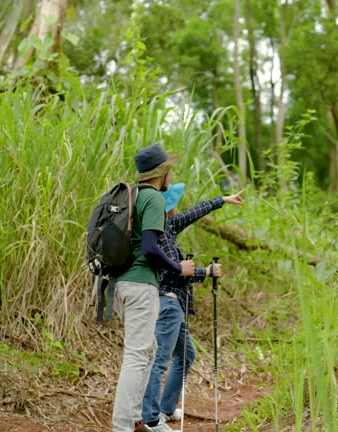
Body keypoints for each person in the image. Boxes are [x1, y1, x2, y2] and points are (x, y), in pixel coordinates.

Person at [140, 183, 245, 431]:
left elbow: (195, 211)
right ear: (168, 206)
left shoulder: (170, 226)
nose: (179, 206)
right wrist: (205, 272)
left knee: (187, 354)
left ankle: (166, 408)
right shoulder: (159, 234)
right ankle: (151, 419)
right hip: (167, 303)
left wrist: (223, 199)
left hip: (176, 305)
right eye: (175, 202)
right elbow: (172, 271)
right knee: (159, 360)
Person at [112, 144, 197, 432]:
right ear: (161, 173)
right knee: (137, 356)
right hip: (140, 285)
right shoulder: (154, 199)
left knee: (149, 350)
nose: (171, 174)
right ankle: (122, 426)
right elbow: (150, 248)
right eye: (169, 169)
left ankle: (137, 420)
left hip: (121, 285)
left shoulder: (131, 195)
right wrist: (178, 268)